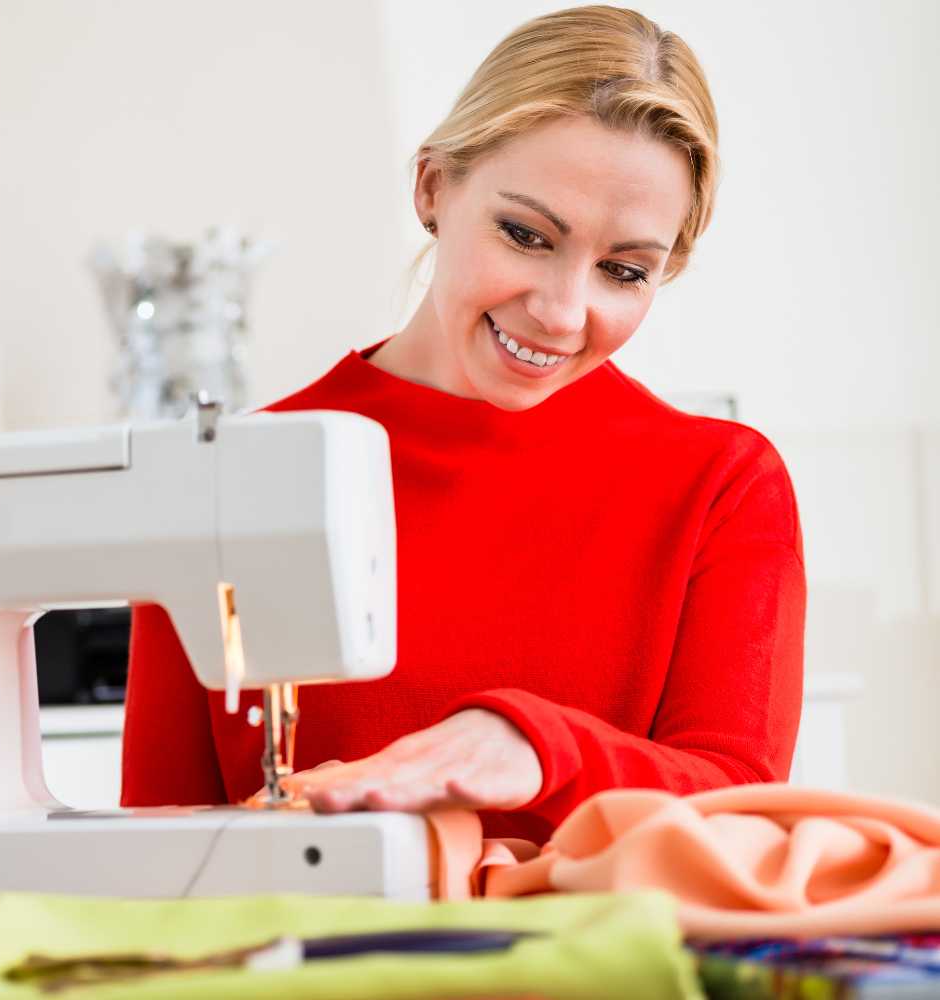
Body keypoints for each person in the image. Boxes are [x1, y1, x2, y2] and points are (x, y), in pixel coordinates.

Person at [119, 4, 806, 845]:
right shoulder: (227, 476)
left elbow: (740, 804)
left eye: (624, 271)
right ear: (434, 187)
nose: (561, 311)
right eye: (525, 235)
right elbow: (156, 849)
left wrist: (535, 747)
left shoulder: (722, 485)